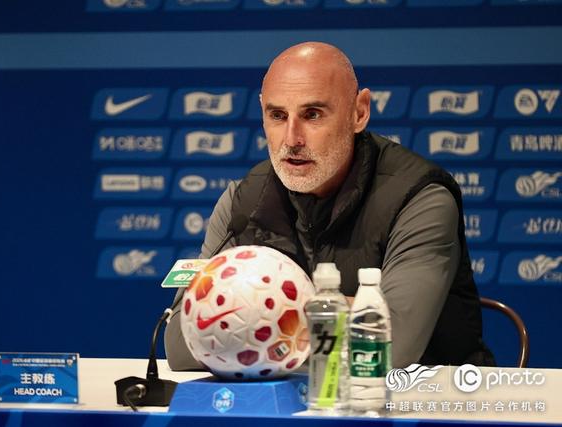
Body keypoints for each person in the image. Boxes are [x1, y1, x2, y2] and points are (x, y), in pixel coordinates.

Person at [164, 42, 494, 370]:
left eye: (312, 115)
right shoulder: (242, 202)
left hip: (425, 398)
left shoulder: (419, 198)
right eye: (277, 116)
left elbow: (392, 345)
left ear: (359, 112)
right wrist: (346, 309)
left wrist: (248, 314)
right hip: (292, 398)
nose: (291, 139)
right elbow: (181, 344)